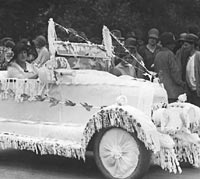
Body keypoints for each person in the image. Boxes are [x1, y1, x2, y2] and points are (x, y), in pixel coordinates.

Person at [154, 32, 186, 103]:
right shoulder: (170, 54)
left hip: (161, 90)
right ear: (168, 44)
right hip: (172, 92)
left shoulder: (158, 54)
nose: (174, 45)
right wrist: (182, 83)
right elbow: (175, 73)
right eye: (172, 43)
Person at [183, 33, 200, 107]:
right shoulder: (187, 57)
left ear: (192, 45)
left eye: (186, 45)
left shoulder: (198, 56)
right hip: (192, 91)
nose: (184, 47)